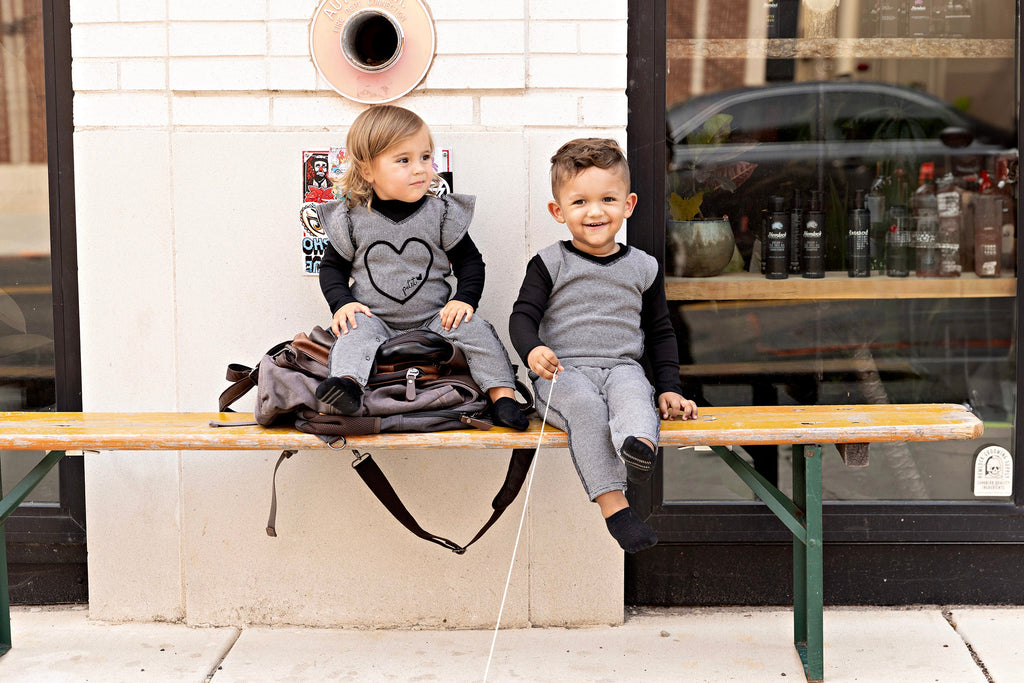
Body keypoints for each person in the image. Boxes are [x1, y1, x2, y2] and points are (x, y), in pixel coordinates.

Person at [509, 138, 698, 552]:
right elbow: (522, 316)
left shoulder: (643, 267)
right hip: (564, 374)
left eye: (608, 199)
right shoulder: (549, 263)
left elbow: (661, 332)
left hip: (621, 368)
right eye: (579, 203)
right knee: (587, 409)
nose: (595, 212)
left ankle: (639, 448)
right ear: (558, 212)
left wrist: (670, 387)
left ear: (628, 204)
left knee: (635, 396)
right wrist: (532, 350)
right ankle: (616, 508)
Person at [314, 105, 529, 431]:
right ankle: (347, 387)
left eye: (425, 158)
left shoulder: (440, 213)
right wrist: (342, 304)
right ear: (368, 170)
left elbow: (471, 262)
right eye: (404, 160)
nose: (420, 169)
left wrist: (464, 300)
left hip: (435, 319)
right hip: (376, 319)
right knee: (352, 334)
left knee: (477, 329)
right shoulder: (351, 218)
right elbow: (331, 268)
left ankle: (504, 398)